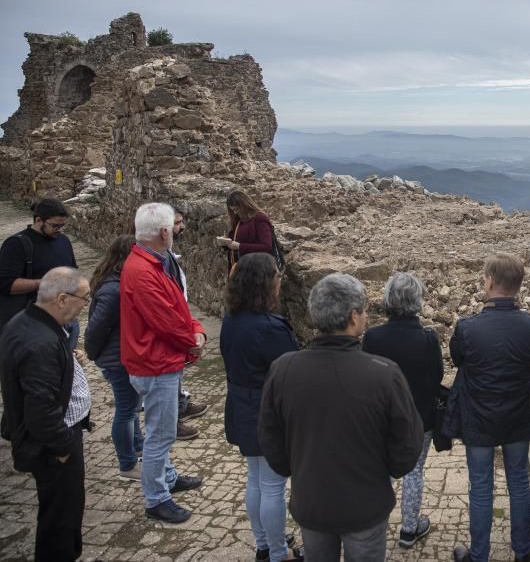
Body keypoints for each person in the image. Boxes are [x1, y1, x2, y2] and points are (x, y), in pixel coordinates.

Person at [258, 273, 423, 562]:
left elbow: (270, 435)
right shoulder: (383, 373)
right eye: (364, 311)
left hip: (312, 500)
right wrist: (385, 472)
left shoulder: (284, 369)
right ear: (352, 317)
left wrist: (295, 468)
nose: (367, 316)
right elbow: (408, 443)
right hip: (365, 504)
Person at [445, 253, 530, 562]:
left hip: (479, 420)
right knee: (519, 481)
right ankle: (523, 549)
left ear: (488, 282)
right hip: (518, 418)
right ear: (518, 285)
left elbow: (458, 360)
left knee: (481, 486)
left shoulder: (467, 328)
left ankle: (479, 555)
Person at [120, 202, 206, 524]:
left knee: (159, 430)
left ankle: (167, 478)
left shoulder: (150, 262)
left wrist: (196, 329)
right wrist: (192, 345)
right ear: (165, 232)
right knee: (160, 435)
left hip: (155, 360)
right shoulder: (144, 271)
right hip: (155, 364)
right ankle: (156, 498)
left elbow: (177, 308)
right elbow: (166, 321)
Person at [0, 267, 92, 561]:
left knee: (63, 509)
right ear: (62, 298)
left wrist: (69, 357)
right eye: (84, 298)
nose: (85, 305)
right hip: (54, 445)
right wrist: (64, 448)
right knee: (61, 515)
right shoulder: (40, 342)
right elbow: (40, 409)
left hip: (55, 438)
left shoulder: (31, 323)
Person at [220, 254, 302, 562]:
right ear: (266, 283)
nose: (280, 280)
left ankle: (264, 542)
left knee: (255, 479)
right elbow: (290, 369)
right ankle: (278, 552)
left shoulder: (231, 319)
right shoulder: (269, 328)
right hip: (267, 411)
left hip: (241, 405)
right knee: (272, 486)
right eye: (277, 275)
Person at [362, 272, 444, 550]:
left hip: (381, 418)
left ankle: (375, 525)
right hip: (418, 418)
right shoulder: (428, 338)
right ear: (417, 300)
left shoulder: (372, 337)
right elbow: (436, 378)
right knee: (414, 471)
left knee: (380, 471)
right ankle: (409, 529)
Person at [84, 235, 144, 481]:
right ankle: (128, 464)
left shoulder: (116, 283)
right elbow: (96, 329)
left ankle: (138, 446)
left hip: (121, 357)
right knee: (126, 411)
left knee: (132, 407)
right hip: (117, 359)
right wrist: (93, 354)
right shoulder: (113, 289)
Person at [0, 199, 78, 338]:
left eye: (62, 225)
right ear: (38, 220)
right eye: (55, 226)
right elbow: (6, 284)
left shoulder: (63, 240)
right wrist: (44, 283)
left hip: (62, 319)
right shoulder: (16, 245)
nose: (59, 229)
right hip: (31, 322)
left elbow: (73, 271)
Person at [169, 209, 208, 442]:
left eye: (182, 222)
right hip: (173, 329)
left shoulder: (168, 256)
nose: (181, 227)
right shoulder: (158, 261)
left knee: (176, 373)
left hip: (182, 322)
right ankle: (171, 422)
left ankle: (180, 405)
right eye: (177, 223)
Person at [220, 190, 276, 275]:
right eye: (233, 210)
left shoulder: (260, 219)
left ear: (244, 205)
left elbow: (267, 247)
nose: (235, 213)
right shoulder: (238, 220)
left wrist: (239, 246)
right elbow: (234, 240)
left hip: (256, 272)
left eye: (237, 209)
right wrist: (225, 243)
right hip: (240, 272)